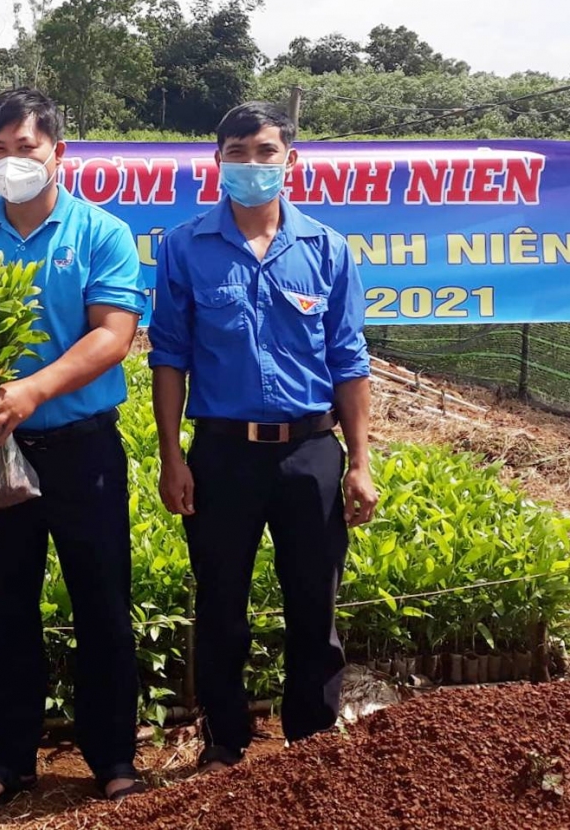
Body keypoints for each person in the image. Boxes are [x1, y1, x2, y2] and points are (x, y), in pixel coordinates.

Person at [147, 101, 378, 774]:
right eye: (238, 153)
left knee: (315, 602)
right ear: (217, 162)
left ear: (291, 160)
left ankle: (310, 742)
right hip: (222, 453)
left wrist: (360, 461)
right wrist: (172, 456)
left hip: (309, 452)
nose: (252, 165)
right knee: (221, 603)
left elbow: (349, 360)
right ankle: (226, 743)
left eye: (265, 151)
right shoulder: (185, 246)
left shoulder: (327, 249)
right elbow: (170, 357)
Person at [0, 88, 148, 816]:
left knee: (101, 604)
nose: (10, 162)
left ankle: (114, 756)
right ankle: (10, 757)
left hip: (81, 450)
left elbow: (111, 335)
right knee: (6, 606)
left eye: (24, 148)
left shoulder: (101, 234)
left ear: (58, 152)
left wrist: (30, 389)